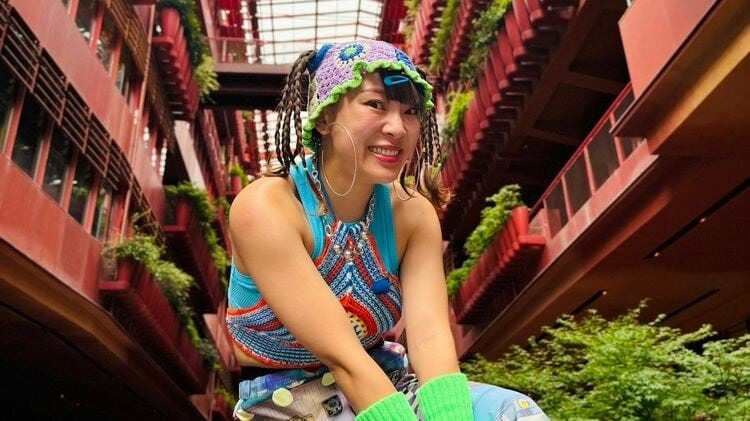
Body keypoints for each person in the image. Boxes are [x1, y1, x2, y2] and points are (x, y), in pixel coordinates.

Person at [227, 39, 548, 420]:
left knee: (514, 412)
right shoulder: (266, 208)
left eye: (410, 112)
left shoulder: (412, 214)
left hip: (387, 380)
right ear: (325, 118)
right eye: (375, 105)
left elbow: (430, 337)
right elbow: (344, 358)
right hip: (284, 404)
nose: (397, 128)